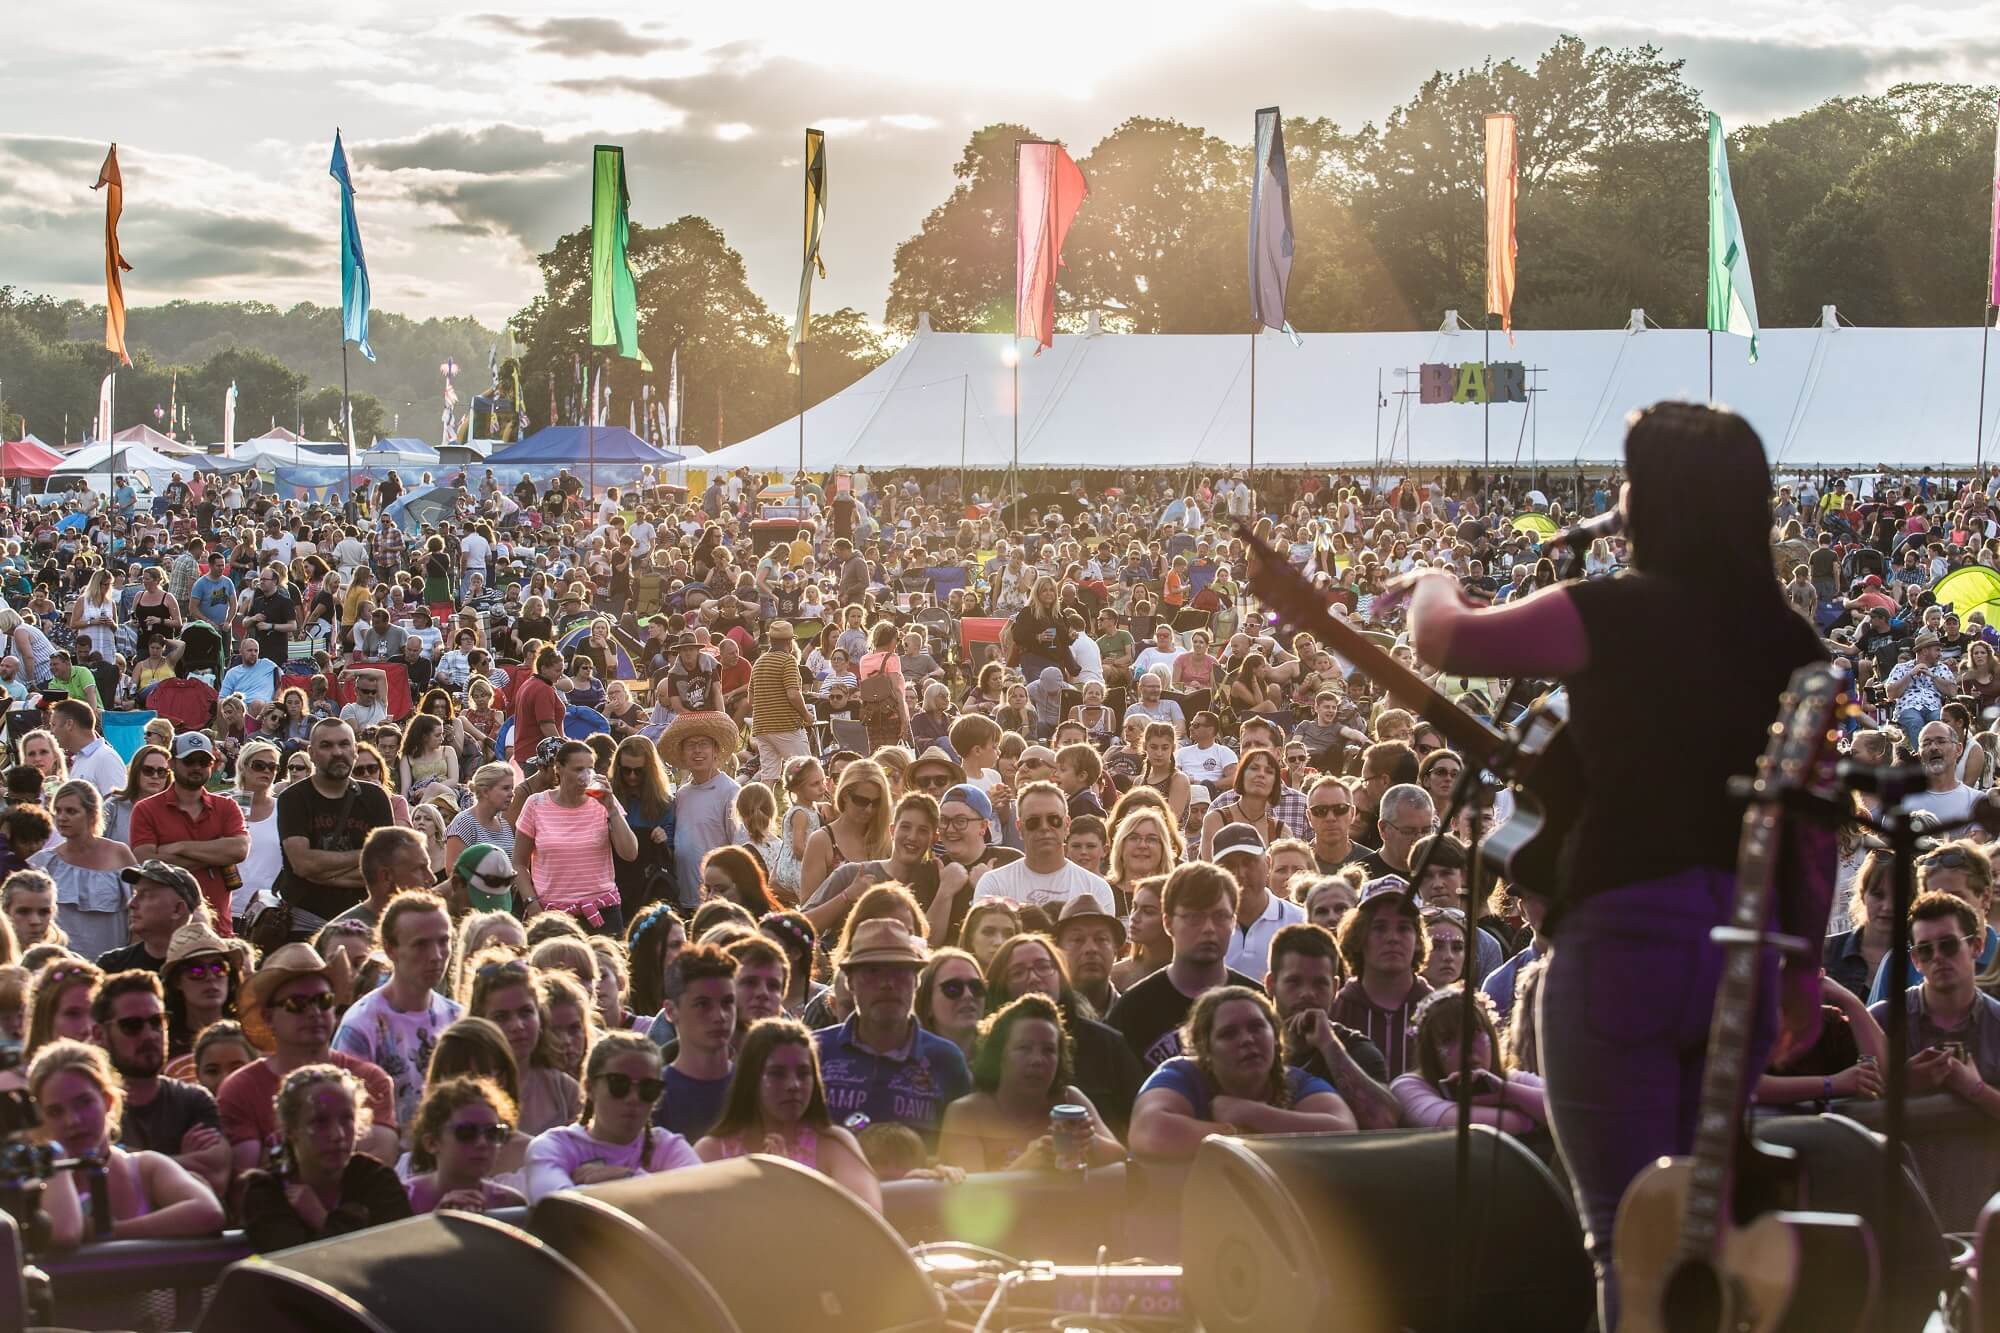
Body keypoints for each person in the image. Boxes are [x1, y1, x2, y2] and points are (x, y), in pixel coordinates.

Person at [1402, 403, 1830, 1327]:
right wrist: (1803, 969)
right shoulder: (1794, 643)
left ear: (1655, 498)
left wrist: (1434, 576)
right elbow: (1811, 827)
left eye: (1630, 480)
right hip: (1741, 958)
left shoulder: (1610, 611)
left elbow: (1447, 640)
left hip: (1620, 946)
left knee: (1627, 1238)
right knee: (1705, 1242)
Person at [217, 943, 399, 1175]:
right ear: (268, 1017)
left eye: (323, 1000)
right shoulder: (240, 1089)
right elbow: (249, 1181)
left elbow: (378, 1164)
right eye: (297, 1004)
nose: (314, 1012)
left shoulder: (371, 1080)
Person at [28, 1040, 225, 1247]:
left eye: (84, 1102)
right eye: (55, 1112)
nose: (73, 1120)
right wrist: (56, 1160)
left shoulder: (145, 1168)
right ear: (42, 1120)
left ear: (107, 1101)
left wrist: (109, 1231)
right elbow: (65, 1234)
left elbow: (209, 1212)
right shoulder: (34, 1182)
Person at [1128, 986, 1354, 1160]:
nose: (1247, 1039)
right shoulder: (1181, 1074)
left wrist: (1250, 1113)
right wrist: (1233, 1132)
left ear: (1275, 1037)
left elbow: (1344, 1133)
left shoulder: (1294, 1081)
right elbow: (1149, 1133)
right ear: (1205, 1048)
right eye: (1228, 1033)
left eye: (1256, 1027)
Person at [813, 918, 971, 1147]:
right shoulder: (817, 1052)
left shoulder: (945, 1059)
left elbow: (961, 1153)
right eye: (873, 971)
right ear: (850, 983)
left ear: (917, 981)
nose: (887, 983)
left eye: (899, 971)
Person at [695, 1017, 881, 1205]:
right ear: (750, 1079)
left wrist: (790, 1182)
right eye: (777, 1073)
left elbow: (866, 1219)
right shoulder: (712, 1152)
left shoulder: (834, 1145)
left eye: (803, 1073)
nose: (793, 1085)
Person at [938, 993, 1124, 1172]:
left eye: (1049, 1050)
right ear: (998, 1054)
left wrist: (1089, 1141)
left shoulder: (1070, 1100)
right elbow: (970, 1198)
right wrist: (1024, 1166)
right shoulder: (966, 1114)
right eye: (1024, 1048)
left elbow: (1123, 1163)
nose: (1037, 1059)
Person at [238, 1063, 413, 1251]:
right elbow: (295, 1268)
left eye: (347, 1119)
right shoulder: (267, 1192)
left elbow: (396, 1257)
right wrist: (348, 1222)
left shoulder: (377, 1180)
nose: (337, 1135)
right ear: (291, 1131)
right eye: (320, 1122)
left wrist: (323, 1219)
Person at [1106, 862, 1263, 1068]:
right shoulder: (1132, 1010)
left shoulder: (1258, 1005)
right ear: (1168, 922)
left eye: (1220, 916)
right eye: (1194, 917)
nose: (1208, 928)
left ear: (1233, 922)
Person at [90, 970, 231, 1197]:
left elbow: (215, 1179)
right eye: (132, 1025)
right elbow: (104, 1185)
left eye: (157, 1022)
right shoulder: (93, 1108)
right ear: (99, 1034)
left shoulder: (195, 1100)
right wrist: (182, 1163)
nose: (149, 1035)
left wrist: (131, 1160)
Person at [332, 890, 463, 1128]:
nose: (436, 955)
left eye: (443, 941)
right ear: (390, 948)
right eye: (421, 944)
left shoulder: (458, 1018)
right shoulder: (361, 1025)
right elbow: (348, 1118)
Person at [523, 1030, 701, 1202]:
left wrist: (626, 1176)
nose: (633, 1098)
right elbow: (557, 1206)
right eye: (618, 1084)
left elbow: (702, 1203)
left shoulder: (668, 1146)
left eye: (648, 1088)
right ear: (589, 1088)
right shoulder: (553, 1146)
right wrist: (651, 1189)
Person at [1869, 891, 2000, 1120]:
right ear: (1916, 961)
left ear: (1977, 947)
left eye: (1948, 945)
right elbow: (1847, 1115)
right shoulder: (1880, 1021)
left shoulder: (1997, 1023)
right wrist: (1902, 1081)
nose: (1938, 957)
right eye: (1925, 950)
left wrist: (1976, 1089)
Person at [276, 719, 395, 936]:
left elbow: (387, 868)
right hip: (304, 923)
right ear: (311, 753)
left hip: (364, 922)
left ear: (355, 751)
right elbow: (303, 864)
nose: (338, 752)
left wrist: (323, 873)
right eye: (326, 745)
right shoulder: (292, 799)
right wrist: (367, 856)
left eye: (344, 744)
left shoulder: (375, 797)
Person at [514, 739, 639, 934]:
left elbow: (630, 854)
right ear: (559, 769)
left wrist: (612, 809)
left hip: (602, 912)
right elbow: (519, 863)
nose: (585, 776)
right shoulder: (536, 804)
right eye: (578, 769)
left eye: (590, 769)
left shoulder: (604, 803)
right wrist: (532, 904)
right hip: (552, 915)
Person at [129, 732, 249, 934]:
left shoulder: (227, 807)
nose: (197, 767)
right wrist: (216, 855)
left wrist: (179, 847)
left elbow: (239, 850)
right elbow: (148, 863)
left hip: (217, 931)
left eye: (204, 762)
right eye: (189, 761)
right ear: (172, 764)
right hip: (163, 932)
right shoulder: (146, 809)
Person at [1391, 985, 1550, 1132]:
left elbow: (1563, 1108)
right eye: (1448, 1039)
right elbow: (1452, 1123)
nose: (1467, 1048)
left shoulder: (1513, 1079)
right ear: (1430, 1051)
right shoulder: (1407, 1087)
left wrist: (1506, 1091)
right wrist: (1532, 1116)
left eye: (1474, 1033)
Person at [464, 953, 582, 1135]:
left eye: (525, 1012)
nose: (517, 1026)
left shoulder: (565, 1091)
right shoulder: (462, 1091)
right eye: (501, 1017)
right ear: (480, 1022)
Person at [973, 782, 1118, 911]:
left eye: (1053, 819)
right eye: (1033, 821)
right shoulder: (994, 884)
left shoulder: (1096, 889)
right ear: (1019, 828)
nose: (1044, 827)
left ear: (1067, 824)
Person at [404, 1075, 528, 1215]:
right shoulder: (403, 1199)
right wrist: (436, 1221)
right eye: (466, 1133)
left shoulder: (510, 1204)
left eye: (492, 1132)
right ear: (431, 1143)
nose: (482, 1143)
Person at [651, 942, 738, 1139]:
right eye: (702, 1004)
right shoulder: (651, 1096)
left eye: (727, 1002)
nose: (719, 1016)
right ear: (671, 1011)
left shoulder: (758, 1087)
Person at [662, 712, 743, 908]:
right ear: (682, 753)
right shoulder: (682, 794)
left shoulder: (731, 791)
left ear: (716, 750)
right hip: (684, 897)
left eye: (704, 744)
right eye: (691, 745)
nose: (697, 751)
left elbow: (740, 846)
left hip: (717, 901)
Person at [1212, 823, 1305, 976]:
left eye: (1249, 862)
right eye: (1228, 865)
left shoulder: (1300, 922)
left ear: (1268, 863)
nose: (1240, 873)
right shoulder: (1204, 927)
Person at [96, 860, 204, 976]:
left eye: (146, 895)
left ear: (177, 909)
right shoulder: (112, 966)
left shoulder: (209, 966)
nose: (131, 904)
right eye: (135, 894)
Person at [328, 826, 437, 931]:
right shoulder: (345, 936)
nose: (432, 878)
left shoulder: (429, 926)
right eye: (420, 868)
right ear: (386, 876)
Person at [750, 620, 814, 780]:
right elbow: (793, 694)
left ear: (771, 640)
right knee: (807, 769)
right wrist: (806, 715)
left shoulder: (758, 663)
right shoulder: (788, 661)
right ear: (789, 642)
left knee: (769, 775)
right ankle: (813, 804)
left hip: (762, 727)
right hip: (785, 725)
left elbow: (751, 700)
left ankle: (764, 805)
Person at [1053, 895, 1123, 1017]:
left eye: (1101, 939)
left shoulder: (1133, 1012)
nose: (1091, 949)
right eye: (1077, 939)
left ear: (1115, 949)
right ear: (1058, 951)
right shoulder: (1048, 1017)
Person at [48, 698, 123, 793]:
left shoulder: (106, 757)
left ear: (69, 724)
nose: (51, 732)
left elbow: (118, 804)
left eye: (53, 725)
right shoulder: (79, 759)